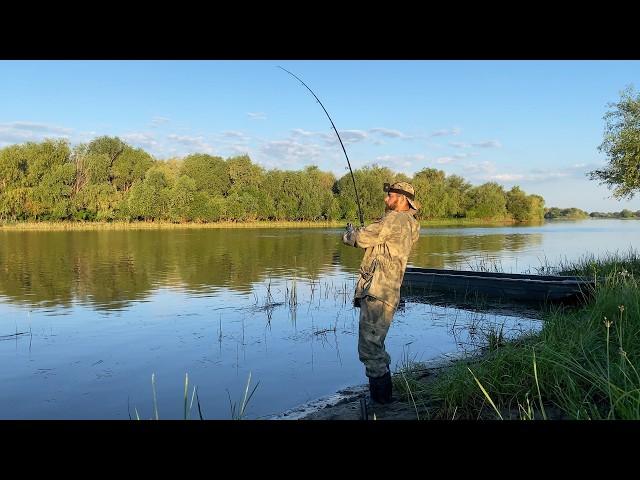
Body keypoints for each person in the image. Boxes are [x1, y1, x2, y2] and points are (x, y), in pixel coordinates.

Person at [342, 181, 421, 404]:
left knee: (369, 348)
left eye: (390, 196)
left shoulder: (395, 219)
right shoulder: (412, 224)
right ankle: (383, 396)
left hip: (378, 290)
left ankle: (381, 401)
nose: (386, 200)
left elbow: (359, 239)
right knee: (376, 344)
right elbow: (379, 239)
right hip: (390, 291)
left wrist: (349, 233)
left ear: (403, 199)